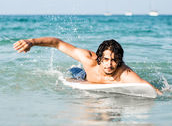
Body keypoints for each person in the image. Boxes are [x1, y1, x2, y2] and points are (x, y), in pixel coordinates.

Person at [13, 37, 162, 95]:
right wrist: (31, 42)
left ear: (120, 61)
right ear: (99, 59)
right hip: (81, 75)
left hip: (96, 84)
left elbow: (145, 86)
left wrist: (162, 94)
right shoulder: (89, 59)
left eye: (114, 60)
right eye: (106, 59)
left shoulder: (124, 73)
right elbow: (57, 43)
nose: (110, 64)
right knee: (72, 72)